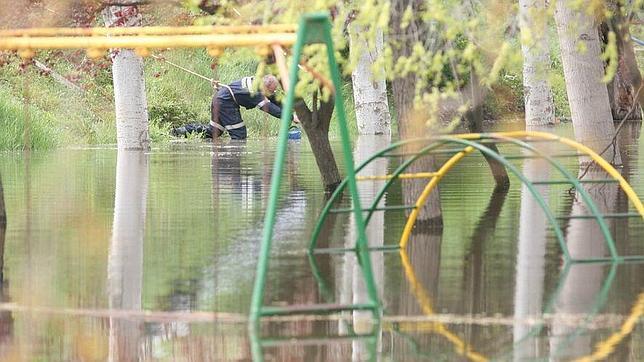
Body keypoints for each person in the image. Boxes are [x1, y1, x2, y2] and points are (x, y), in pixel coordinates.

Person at [172, 74, 294, 140]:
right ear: (265, 87)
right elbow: (270, 108)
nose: (273, 93)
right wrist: (291, 116)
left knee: (214, 132)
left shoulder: (256, 81)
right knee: (239, 134)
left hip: (219, 99)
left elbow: (272, 99)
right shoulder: (255, 93)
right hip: (225, 103)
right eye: (272, 91)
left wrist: (290, 111)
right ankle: (232, 164)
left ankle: (181, 131)